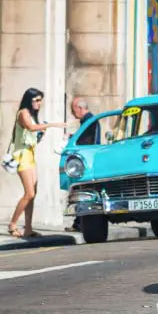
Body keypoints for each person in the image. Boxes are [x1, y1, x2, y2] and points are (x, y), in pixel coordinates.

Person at [7, 88, 70, 238]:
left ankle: (28, 228)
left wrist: (41, 134)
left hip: (30, 155)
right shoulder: (23, 113)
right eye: (35, 100)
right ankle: (12, 224)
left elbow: (33, 135)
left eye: (40, 100)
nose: (38, 103)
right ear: (28, 100)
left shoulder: (32, 115)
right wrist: (52, 125)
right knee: (29, 193)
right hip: (22, 156)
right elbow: (30, 127)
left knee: (33, 194)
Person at [67, 97, 100, 232]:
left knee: (82, 191)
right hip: (89, 158)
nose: (73, 114)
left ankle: (80, 223)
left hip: (86, 160)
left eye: (73, 110)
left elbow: (87, 140)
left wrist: (72, 139)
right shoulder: (90, 120)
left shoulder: (88, 120)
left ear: (80, 108)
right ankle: (78, 223)